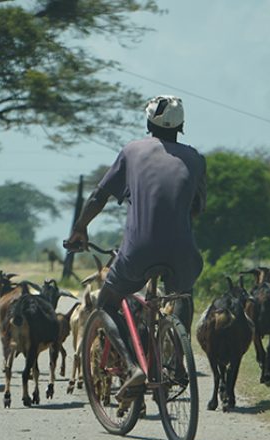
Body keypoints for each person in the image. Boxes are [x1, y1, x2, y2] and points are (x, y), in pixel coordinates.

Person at [64, 94, 206, 401]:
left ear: (147, 123)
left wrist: (79, 229)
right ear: (181, 127)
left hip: (139, 249)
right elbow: (196, 210)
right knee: (182, 294)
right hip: (182, 250)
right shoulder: (195, 158)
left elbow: (98, 197)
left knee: (106, 304)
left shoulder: (132, 151)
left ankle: (133, 369)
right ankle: (178, 358)